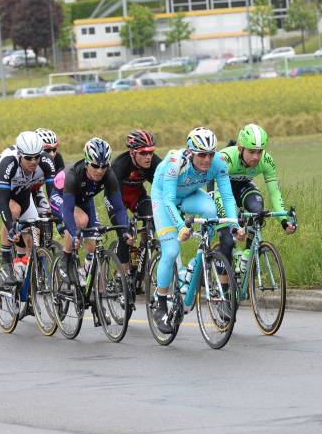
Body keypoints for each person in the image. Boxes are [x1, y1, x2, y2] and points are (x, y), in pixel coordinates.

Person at [150, 127, 244, 334]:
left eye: (210, 154)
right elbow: (167, 200)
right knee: (172, 251)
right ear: (191, 152)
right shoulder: (176, 163)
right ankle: (160, 302)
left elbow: (227, 197)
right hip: (165, 199)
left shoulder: (219, 163)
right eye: (202, 155)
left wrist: (234, 225)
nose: (207, 160)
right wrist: (181, 226)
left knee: (211, 209)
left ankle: (197, 261)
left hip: (190, 194)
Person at [56, 138, 132, 301]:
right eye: (95, 166)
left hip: (84, 198)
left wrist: (124, 230)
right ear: (87, 162)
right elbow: (68, 210)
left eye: (104, 166)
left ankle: (85, 272)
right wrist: (73, 233)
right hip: (61, 194)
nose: (100, 170)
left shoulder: (108, 175)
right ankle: (66, 258)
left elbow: (118, 207)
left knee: (94, 240)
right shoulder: (74, 174)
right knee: (81, 221)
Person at [213, 123, 297, 267]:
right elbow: (220, 194)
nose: (256, 157)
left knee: (257, 209)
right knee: (227, 243)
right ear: (240, 148)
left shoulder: (266, 161)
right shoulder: (226, 159)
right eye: (252, 152)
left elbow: (274, 192)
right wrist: (233, 224)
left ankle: (247, 255)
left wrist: (284, 220)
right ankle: (225, 286)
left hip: (243, 187)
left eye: (260, 151)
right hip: (220, 191)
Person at [0, 131, 56, 287]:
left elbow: (53, 196)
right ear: (20, 154)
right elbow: (3, 202)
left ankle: (25, 277)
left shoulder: (46, 161)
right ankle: (5, 263)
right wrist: (10, 227)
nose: (34, 161)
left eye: (37, 156)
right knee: (13, 211)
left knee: (34, 230)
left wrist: (61, 219)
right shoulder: (8, 162)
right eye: (29, 158)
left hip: (23, 193)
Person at [109, 130, 161, 275]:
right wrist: (124, 228)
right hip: (116, 199)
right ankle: (122, 275)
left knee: (152, 218)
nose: (148, 157)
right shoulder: (119, 166)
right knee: (125, 234)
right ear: (132, 152)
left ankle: (145, 250)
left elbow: (165, 188)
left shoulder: (154, 163)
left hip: (137, 197)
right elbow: (115, 199)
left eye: (150, 152)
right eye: (143, 153)